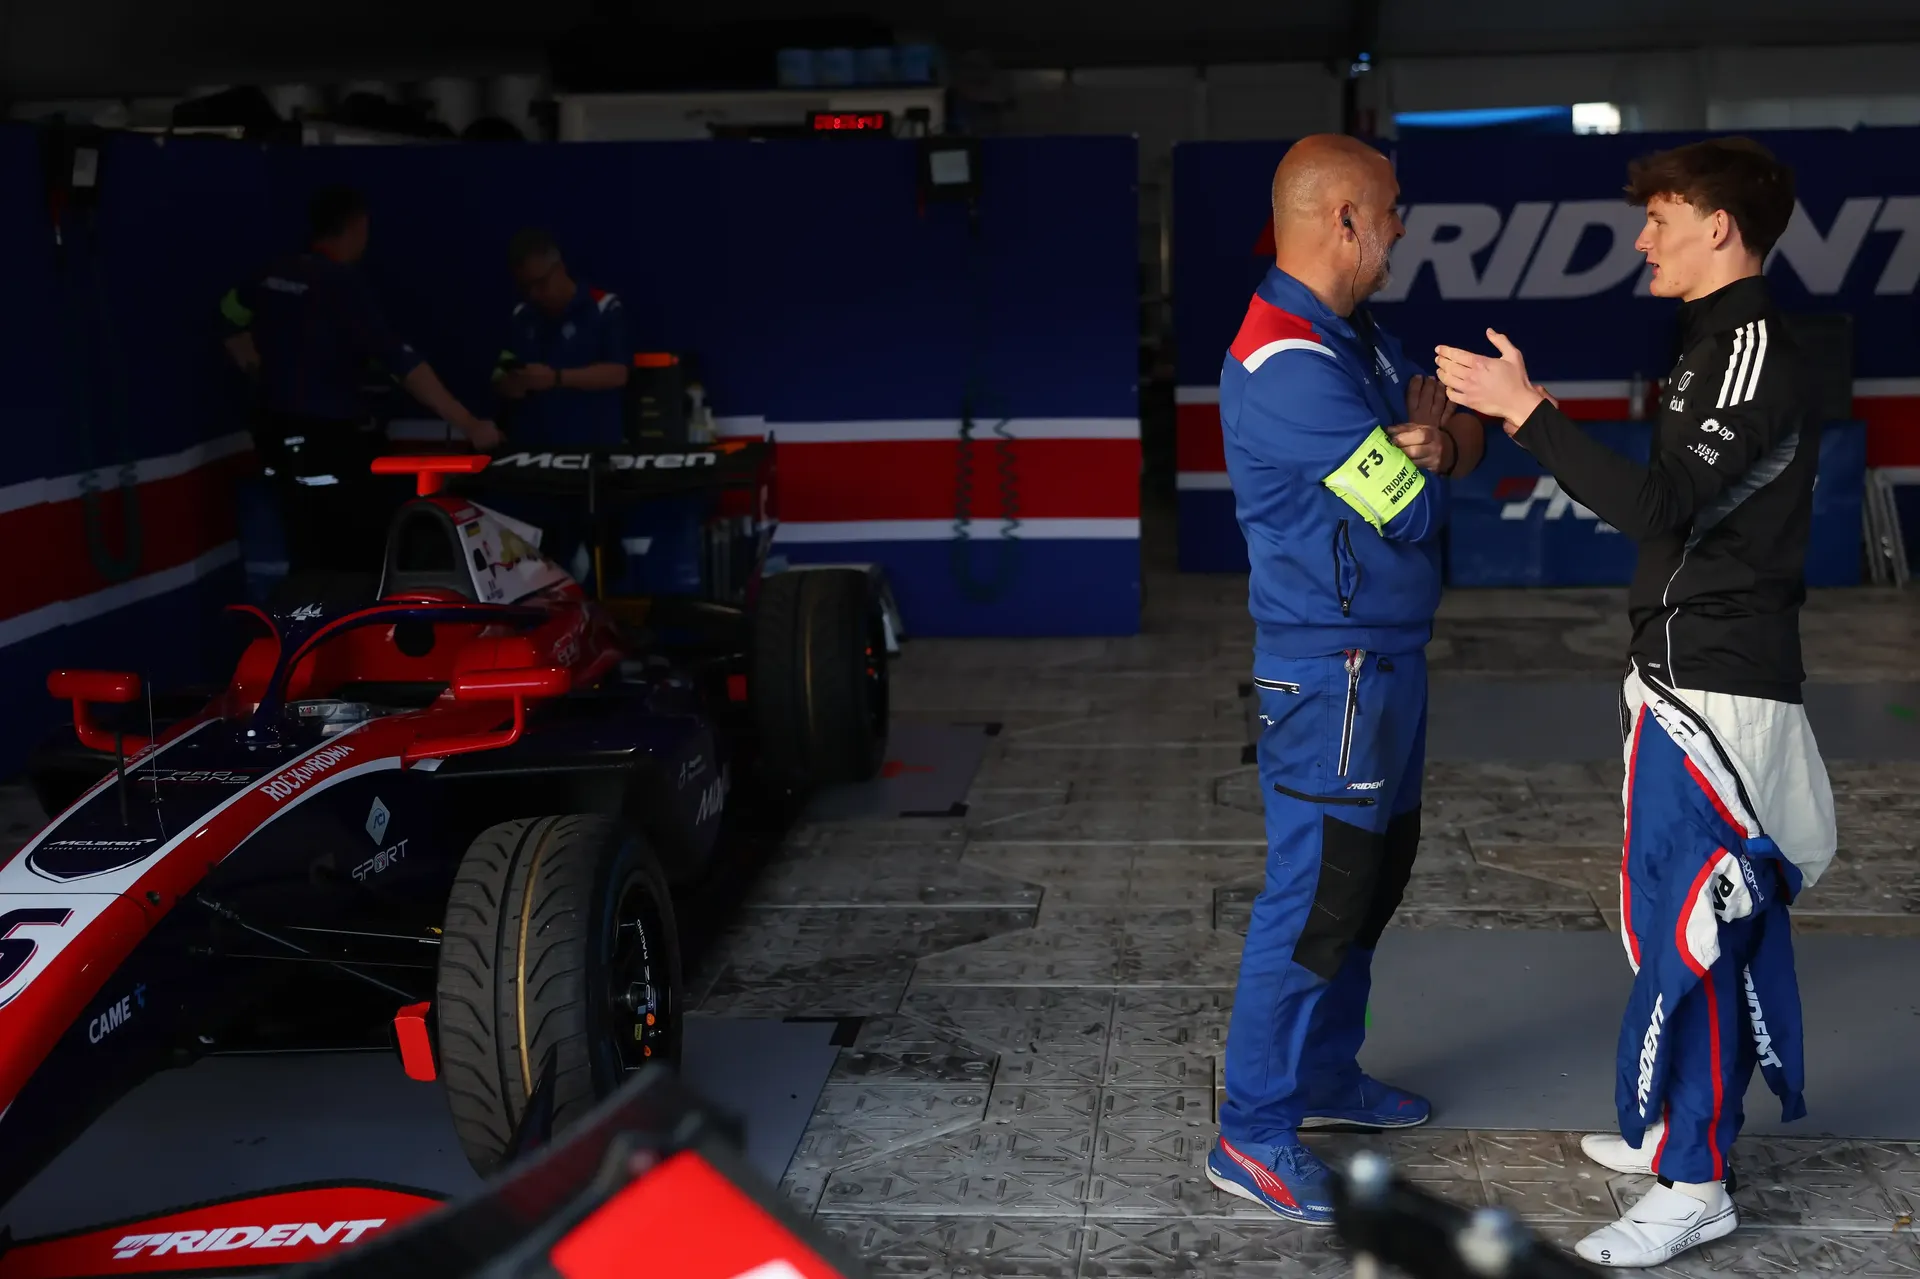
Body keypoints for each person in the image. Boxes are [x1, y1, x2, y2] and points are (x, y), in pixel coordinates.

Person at [1434, 136, 1834, 1268]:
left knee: (1701, 931)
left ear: (1722, 226)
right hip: (1679, 673)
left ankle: (1696, 1181)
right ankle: (1675, 1127)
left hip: (1722, 682)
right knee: (1685, 923)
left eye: (1664, 216)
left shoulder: (1751, 346)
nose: (1644, 237)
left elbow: (1658, 502)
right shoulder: (1709, 346)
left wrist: (1526, 411)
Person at [1207, 134, 1485, 1224]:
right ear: (1345, 223)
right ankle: (1253, 1131)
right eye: (1392, 211)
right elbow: (1411, 505)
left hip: (1386, 660)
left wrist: (1441, 438)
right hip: (1333, 675)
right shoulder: (1287, 363)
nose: (1403, 228)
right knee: (1315, 897)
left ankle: (1325, 1076)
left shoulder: (1353, 339)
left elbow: (1446, 441)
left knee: (1371, 881)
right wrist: (1430, 447)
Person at [221, 186, 498, 576]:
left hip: (275, 440)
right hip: (331, 444)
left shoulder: (271, 274)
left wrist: (254, 367)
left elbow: (227, 317)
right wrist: (469, 422)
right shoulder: (342, 286)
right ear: (357, 227)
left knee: (301, 547)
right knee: (359, 555)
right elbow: (403, 364)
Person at [492, 229, 632, 448]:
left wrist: (556, 378)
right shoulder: (522, 316)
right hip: (530, 451)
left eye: (540, 283)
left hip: (591, 451)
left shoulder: (603, 307)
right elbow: (501, 369)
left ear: (559, 269)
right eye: (525, 287)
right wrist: (508, 384)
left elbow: (618, 373)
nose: (534, 294)